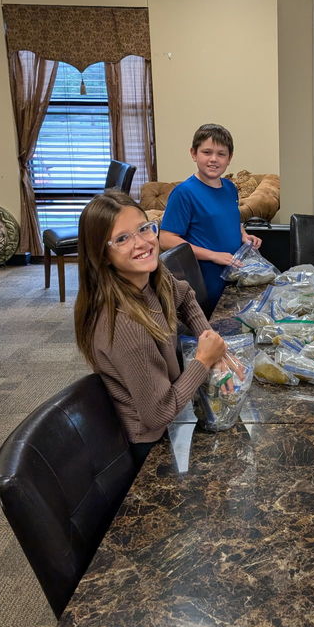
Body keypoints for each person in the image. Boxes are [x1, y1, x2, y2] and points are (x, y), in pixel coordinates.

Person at [74, 190, 233, 466]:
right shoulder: (125, 326)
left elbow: (183, 295)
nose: (142, 243)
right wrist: (204, 360)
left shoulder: (152, 275)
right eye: (122, 239)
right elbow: (158, 414)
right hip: (150, 445)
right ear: (102, 255)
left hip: (172, 412)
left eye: (144, 229)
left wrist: (208, 337)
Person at [159, 124, 262, 311]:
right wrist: (212, 255)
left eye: (221, 154)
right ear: (193, 154)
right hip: (205, 285)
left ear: (229, 158)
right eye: (207, 152)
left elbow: (231, 219)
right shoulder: (184, 193)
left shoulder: (230, 188)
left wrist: (244, 235)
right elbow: (166, 239)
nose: (214, 159)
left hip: (233, 281)